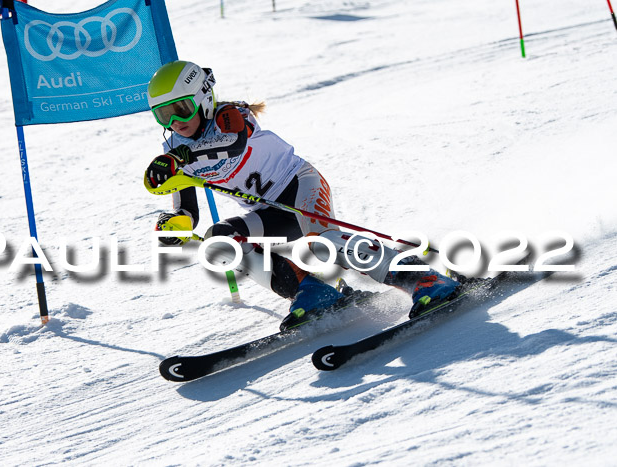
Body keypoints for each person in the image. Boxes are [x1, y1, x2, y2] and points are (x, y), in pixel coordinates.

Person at [143, 60, 460, 330]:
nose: (174, 123)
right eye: (163, 115)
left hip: (300, 186)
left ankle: (424, 279)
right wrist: (175, 223)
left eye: (181, 110)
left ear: (203, 99)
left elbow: (233, 144)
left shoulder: (230, 115)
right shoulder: (173, 149)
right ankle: (311, 292)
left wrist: (181, 159)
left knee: (323, 243)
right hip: (272, 212)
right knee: (219, 240)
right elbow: (187, 209)